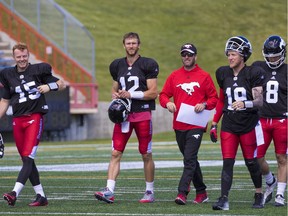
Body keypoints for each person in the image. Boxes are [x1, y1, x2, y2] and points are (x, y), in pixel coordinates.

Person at [94, 32, 159, 203]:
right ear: (124, 45)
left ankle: (149, 191)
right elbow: (114, 88)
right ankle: (109, 190)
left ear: (139, 45)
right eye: (128, 43)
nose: (131, 46)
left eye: (134, 43)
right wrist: (115, 96)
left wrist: (131, 94)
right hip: (123, 116)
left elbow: (153, 93)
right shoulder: (116, 65)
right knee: (115, 152)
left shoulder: (148, 64)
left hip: (142, 113)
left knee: (146, 154)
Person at [0, 42, 66, 206]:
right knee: (26, 160)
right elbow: (5, 100)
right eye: (18, 57)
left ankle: (14, 192)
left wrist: (48, 87)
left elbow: (61, 83)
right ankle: (41, 196)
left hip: (34, 117)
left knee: (28, 157)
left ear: (28, 55)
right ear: (14, 57)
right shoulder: (7, 74)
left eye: (24, 56)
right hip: (18, 119)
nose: (22, 59)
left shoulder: (39, 69)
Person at [210, 36, 265, 210]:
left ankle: (259, 193)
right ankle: (223, 199)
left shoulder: (253, 73)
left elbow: (259, 101)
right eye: (229, 54)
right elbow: (221, 100)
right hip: (229, 124)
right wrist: (214, 122)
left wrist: (245, 103)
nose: (230, 57)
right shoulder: (222, 73)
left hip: (248, 124)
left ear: (243, 56)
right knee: (227, 162)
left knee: (251, 162)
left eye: (233, 54)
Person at [159, 43, 218, 205]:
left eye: (190, 54)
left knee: (189, 159)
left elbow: (214, 98)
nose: (186, 57)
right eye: (184, 54)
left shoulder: (204, 76)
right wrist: (167, 104)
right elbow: (163, 94)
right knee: (190, 159)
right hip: (179, 125)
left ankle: (182, 193)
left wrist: (204, 104)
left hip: (196, 124)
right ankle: (202, 192)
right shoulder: (174, 76)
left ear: (195, 56)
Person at [251, 35, 287, 207]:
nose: (272, 58)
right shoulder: (258, 67)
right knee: (256, 157)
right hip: (262, 120)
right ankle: (270, 180)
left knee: (282, 157)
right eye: (270, 55)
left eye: (275, 55)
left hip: (282, 120)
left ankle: (280, 194)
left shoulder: (286, 71)